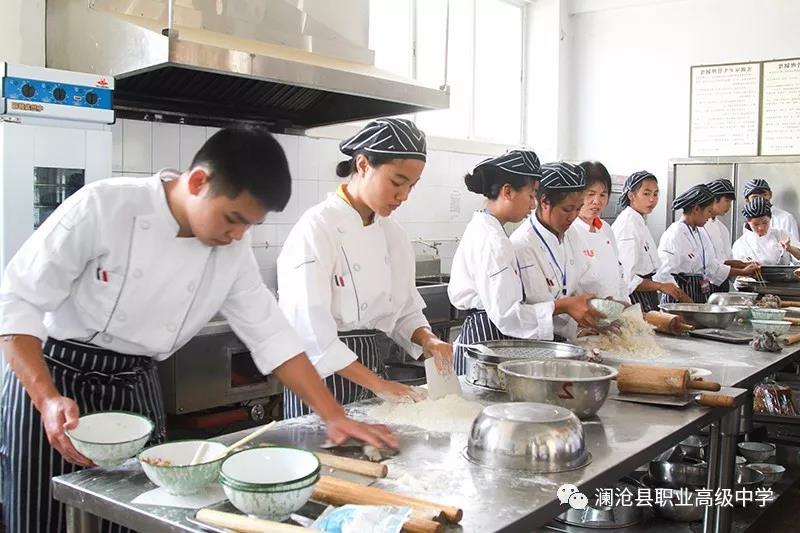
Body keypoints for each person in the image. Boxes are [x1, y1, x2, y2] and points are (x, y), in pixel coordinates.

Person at [0, 127, 396, 533]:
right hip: (55, 376)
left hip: (135, 386)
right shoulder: (105, 206)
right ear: (197, 182)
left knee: (133, 520)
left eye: (249, 225)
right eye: (232, 218)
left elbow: (273, 335)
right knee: (40, 517)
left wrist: (333, 415)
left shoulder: (231, 250)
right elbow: (17, 304)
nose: (237, 235)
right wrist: (46, 399)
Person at [277, 118, 453, 417]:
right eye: (397, 182)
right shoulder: (317, 227)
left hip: (370, 364)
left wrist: (428, 339)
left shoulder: (393, 233)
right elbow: (309, 332)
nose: (404, 195)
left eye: (412, 186)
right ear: (362, 164)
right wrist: (380, 385)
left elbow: (405, 309)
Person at [449, 152, 601, 374]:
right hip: (487, 335)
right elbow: (508, 314)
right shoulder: (494, 241)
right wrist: (564, 306)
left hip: (494, 333)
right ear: (507, 191)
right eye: (531, 196)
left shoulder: (489, 229)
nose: (532, 204)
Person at [509, 161, 606, 342]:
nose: (572, 216)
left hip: (563, 337)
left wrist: (597, 307)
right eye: (567, 209)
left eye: (578, 209)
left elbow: (573, 285)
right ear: (544, 202)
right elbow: (521, 313)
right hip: (533, 341)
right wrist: (568, 308)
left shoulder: (571, 235)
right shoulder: (522, 245)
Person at [656, 185, 758, 303]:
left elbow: (712, 268)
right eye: (709, 211)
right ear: (696, 209)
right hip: (678, 297)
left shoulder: (700, 234)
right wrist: (684, 299)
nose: (710, 216)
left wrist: (743, 270)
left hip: (698, 293)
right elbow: (663, 274)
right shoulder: (674, 234)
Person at [612, 171, 690, 311]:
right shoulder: (628, 225)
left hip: (647, 295)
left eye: (655, 194)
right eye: (646, 194)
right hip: (635, 297)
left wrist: (673, 289)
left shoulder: (638, 221)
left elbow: (654, 267)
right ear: (631, 195)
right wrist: (660, 286)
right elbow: (627, 278)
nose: (652, 200)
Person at [566, 161, 629, 302]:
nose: (596, 201)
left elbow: (618, 274)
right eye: (590, 194)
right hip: (584, 316)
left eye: (602, 195)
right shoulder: (568, 231)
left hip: (614, 312)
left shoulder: (605, 229)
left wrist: (627, 306)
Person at [703, 178, 748, 293]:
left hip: (722, 283)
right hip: (705, 284)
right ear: (713, 199)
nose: (729, 206)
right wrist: (743, 270)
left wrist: (745, 265)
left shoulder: (722, 228)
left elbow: (725, 260)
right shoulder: (700, 227)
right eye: (727, 201)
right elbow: (710, 265)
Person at [732, 197, 800, 265]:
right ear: (748, 223)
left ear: (770, 219)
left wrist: (790, 249)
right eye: (755, 224)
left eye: (765, 222)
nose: (761, 228)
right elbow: (738, 270)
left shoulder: (781, 234)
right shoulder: (741, 244)